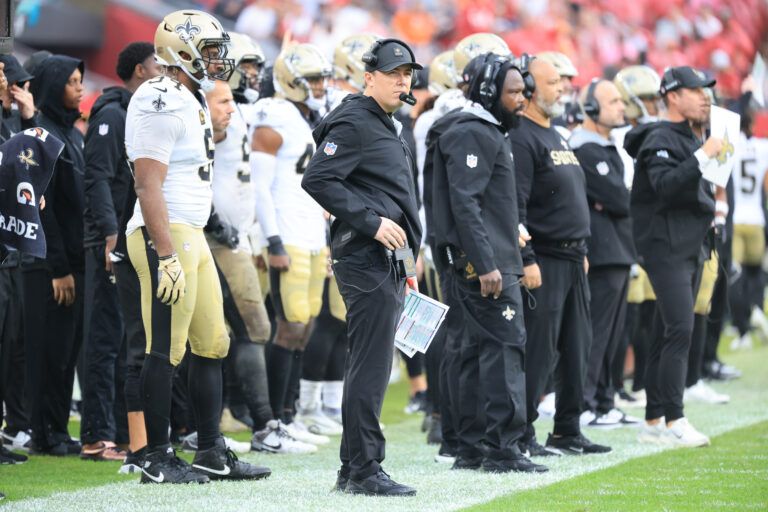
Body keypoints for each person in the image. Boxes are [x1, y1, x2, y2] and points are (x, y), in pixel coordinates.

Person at [125, 9, 270, 483]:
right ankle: (155, 457)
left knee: (212, 343)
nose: (216, 60)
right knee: (164, 346)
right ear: (180, 50)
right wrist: (164, 253)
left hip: (192, 231)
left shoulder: (193, 97)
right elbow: (148, 186)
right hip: (166, 232)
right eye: (208, 51)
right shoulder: (159, 97)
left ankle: (210, 449)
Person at [302, 38, 422, 496]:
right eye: (393, 72)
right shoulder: (355, 119)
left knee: (368, 364)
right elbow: (317, 178)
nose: (402, 80)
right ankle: (366, 469)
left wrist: (408, 254)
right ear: (368, 76)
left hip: (385, 257)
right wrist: (371, 223)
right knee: (370, 367)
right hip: (363, 255)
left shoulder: (387, 122)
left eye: (407, 73)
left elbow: (393, 194)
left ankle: (353, 468)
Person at [431, 52, 546, 473]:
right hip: (486, 263)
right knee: (503, 349)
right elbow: (466, 203)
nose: (521, 98)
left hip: (489, 258)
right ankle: (502, 448)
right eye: (513, 91)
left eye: (522, 90)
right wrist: (485, 262)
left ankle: (472, 446)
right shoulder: (473, 133)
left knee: (476, 351)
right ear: (488, 90)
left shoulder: (481, 130)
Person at [209, 38, 316, 455]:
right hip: (212, 234)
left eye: (257, 67)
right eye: (246, 66)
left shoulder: (249, 112)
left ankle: (263, 419)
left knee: (252, 328)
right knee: (222, 333)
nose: (254, 74)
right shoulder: (212, 108)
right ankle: (238, 420)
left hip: (238, 235)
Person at [510, 58, 611, 457]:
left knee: (577, 347)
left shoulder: (557, 135)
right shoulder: (521, 136)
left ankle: (568, 428)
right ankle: (522, 434)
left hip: (573, 258)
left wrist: (581, 250)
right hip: (545, 259)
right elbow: (515, 206)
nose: (562, 88)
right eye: (553, 82)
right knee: (538, 351)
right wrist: (527, 257)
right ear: (530, 87)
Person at [625, 66, 721, 448]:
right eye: (697, 90)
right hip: (665, 247)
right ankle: (674, 419)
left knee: (669, 331)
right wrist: (704, 157)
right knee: (680, 329)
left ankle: (653, 419)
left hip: (688, 243)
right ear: (673, 95)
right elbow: (665, 186)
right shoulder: (659, 136)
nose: (705, 96)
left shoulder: (687, 135)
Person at [250, 42, 340, 441]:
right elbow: (260, 185)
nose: (322, 85)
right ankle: (275, 420)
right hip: (286, 233)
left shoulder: (306, 118)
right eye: (315, 78)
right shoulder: (275, 115)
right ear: (293, 81)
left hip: (311, 235)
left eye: (323, 77)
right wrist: (273, 241)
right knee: (288, 327)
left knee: (305, 327)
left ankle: (291, 416)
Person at [80, 41, 160, 462]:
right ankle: (95, 436)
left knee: (126, 337)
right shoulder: (112, 113)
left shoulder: (136, 113)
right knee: (105, 337)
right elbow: (97, 178)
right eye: (155, 65)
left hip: (126, 238)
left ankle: (122, 433)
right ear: (139, 71)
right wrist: (110, 233)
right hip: (107, 240)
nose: (162, 71)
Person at [22, 54, 86, 456]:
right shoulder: (41, 135)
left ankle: (58, 427)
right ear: (53, 85)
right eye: (72, 81)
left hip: (78, 260)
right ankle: (44, 432)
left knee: (67, 351)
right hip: (53, 264)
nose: (80, 87)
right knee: (50, 352)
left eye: (82, 79)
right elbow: (43, 209)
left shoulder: (73, 133)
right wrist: (58, 268)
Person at [569, 79, 639, 428]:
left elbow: (618, 200)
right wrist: (615, 199)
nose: (620, 107)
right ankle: (586, 403)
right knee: (596, 333)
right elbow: (622, 199)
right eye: (612, 101)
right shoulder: (585, 149)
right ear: (592, 108)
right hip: (602, 250)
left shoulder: (607, 147)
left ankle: (604, 400)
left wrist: (614, 200)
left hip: (619, 249)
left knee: (613, 334)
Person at [0, 55, 36, 457]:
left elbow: (32, 171)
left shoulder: (9, 124)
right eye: (6, 77)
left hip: (8, 256)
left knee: (7, 349)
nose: (11, 85)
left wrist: (28, 121)